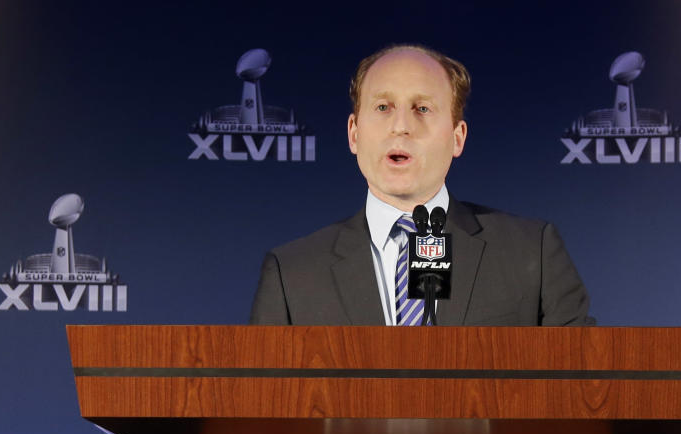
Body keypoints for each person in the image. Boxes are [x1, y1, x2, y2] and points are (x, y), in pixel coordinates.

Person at [250, 44, 594, 326]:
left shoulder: (531, 253)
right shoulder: (292, 272)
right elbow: (262, 403)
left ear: (457, 138)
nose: (401, 126)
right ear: (354, 134)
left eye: (423, 108)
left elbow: (582, 388)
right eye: (383, 107)